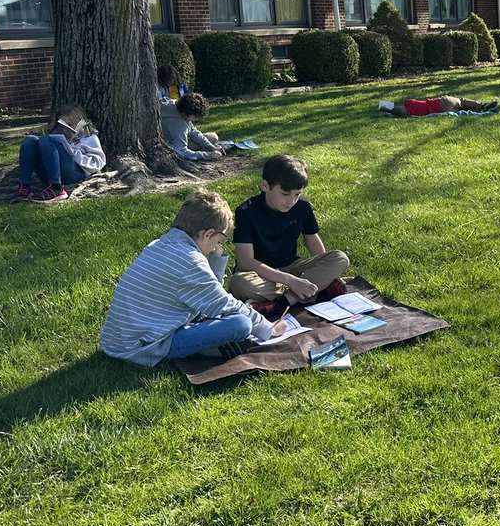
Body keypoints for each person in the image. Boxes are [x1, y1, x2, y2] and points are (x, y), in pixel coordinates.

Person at [100, 190, 286, 366]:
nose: (215, 248)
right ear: (207, 234)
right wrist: (267, 328)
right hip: (145, 347)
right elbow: (222, 304)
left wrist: (216, 260)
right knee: (241, 324)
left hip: (119, 340)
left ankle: (211, 345)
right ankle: (205, 349)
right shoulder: (189, 261)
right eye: (218, 241)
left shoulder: (160, 244)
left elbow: (211, 295)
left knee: (227, 316)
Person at [228, 154, 351, 315]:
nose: (291, 201)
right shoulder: (246, 211)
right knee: (239, 284)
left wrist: (328, 273)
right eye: (285, 194)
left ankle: (283, 302)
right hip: (259, 274)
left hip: (293, 267)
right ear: (265, 186)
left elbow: (313, 243)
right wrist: (291, 281)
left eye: (297, 194)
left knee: (340, 258)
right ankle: (313, 291)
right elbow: (245, 262)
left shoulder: (302, 207)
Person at [11, 105, 107, 204]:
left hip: (74, 173)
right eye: (62, 124)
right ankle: (24, 186)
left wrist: (71, 150)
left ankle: (57, 189)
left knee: (46, 140)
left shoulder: (90, 138)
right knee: (30, 140)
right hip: (49, 174)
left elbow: (97, 163)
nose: (66, 128)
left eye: (70, 124)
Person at [162, 92, 223, 161]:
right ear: (188, 114)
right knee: (212, 138)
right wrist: (208, 155)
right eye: (196, 117)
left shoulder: (172, 104)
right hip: (171, 146)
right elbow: (181, 150)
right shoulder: (180, 124)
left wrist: (212, 148)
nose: (197, 119)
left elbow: (194, 132)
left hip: (175, 140)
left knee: (212, 137)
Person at [378, 96, 498, 116]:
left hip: (440, 111)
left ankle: (480, 111)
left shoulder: (412, 115)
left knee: (463, 110)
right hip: (442, 102)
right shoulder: (408, 103)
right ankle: (483, 105)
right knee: (462, 102)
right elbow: (410, 101)